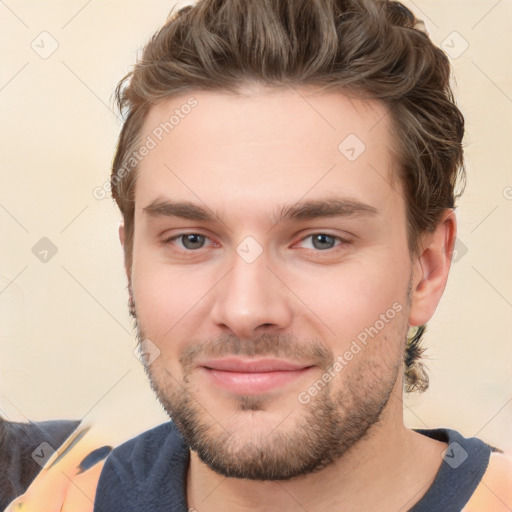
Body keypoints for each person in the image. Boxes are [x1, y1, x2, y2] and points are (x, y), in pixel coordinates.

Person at [93, 0, 512, 510]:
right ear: (129, 264)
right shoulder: (39, 489)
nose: (245, 311)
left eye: (321, 240)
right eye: (192, 240)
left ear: (427, 268)